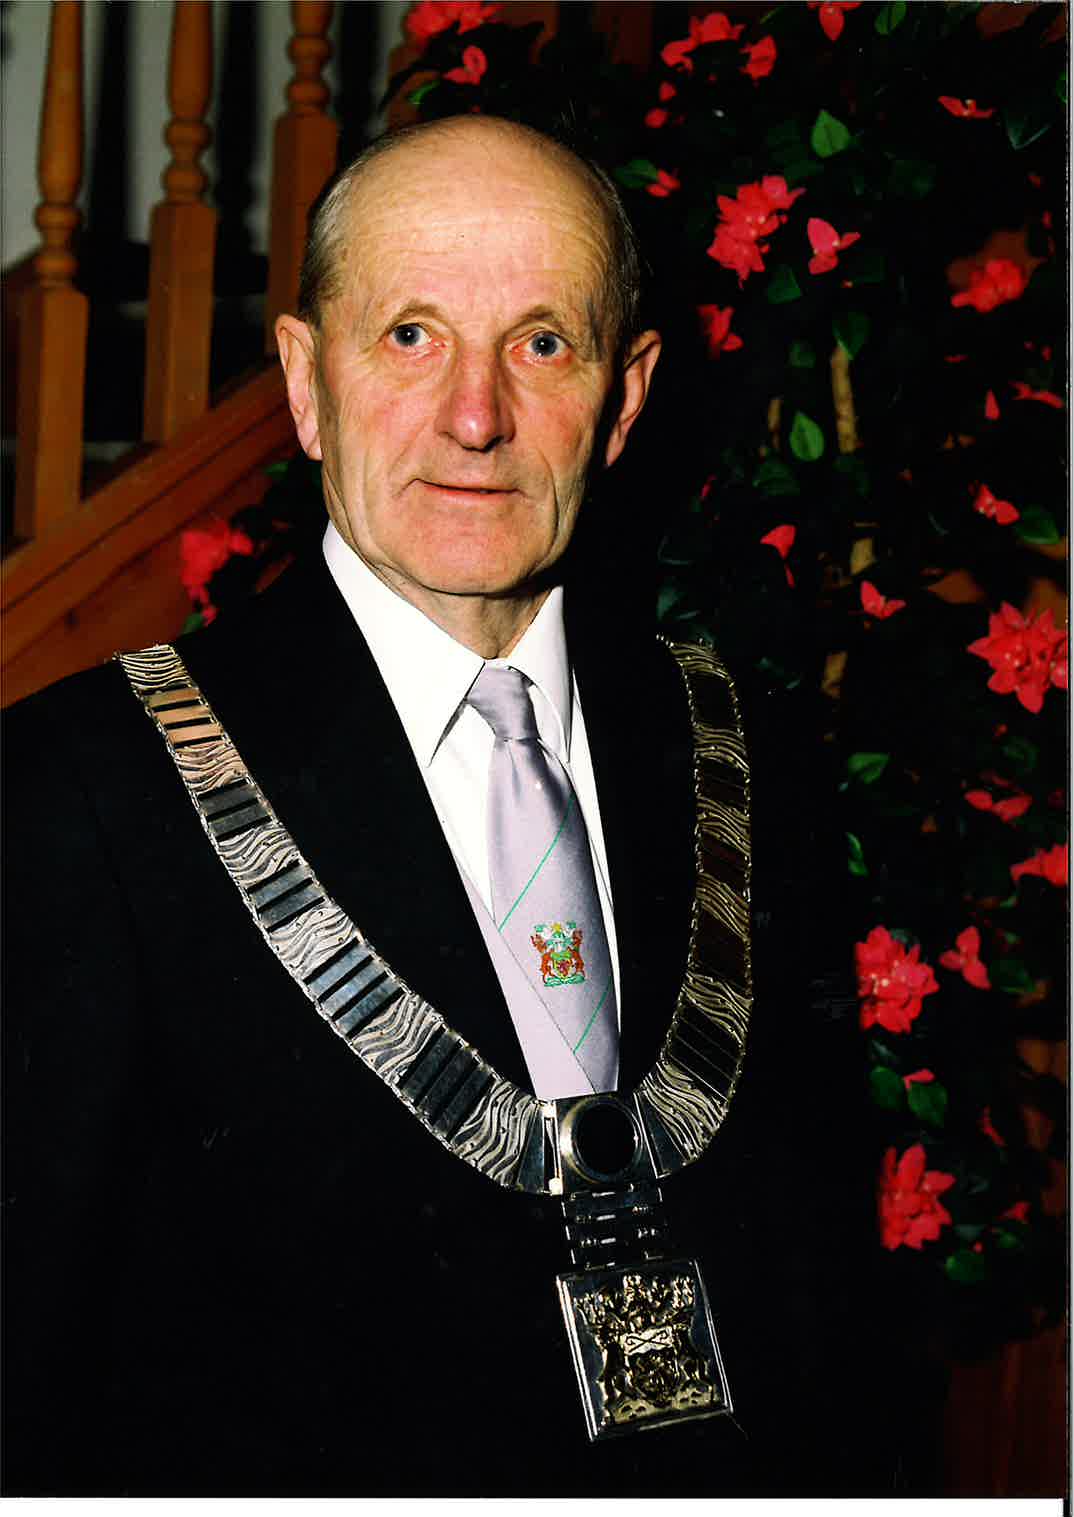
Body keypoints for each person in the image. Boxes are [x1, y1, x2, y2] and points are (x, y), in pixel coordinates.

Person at [3, 116, 894, 1496]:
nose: (475, 416)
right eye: (409, 335)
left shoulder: (730, 740)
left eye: (542, 343)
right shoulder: (84, 784)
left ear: (627, 393)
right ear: (306, 382)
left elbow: (815, 1292)